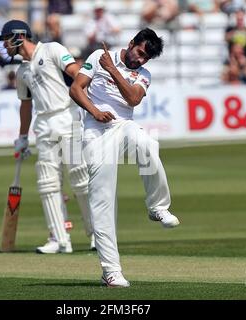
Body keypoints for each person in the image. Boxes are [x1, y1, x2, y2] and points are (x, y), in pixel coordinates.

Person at [69, 28, 180, 287]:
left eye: (145, 59)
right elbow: (76, 89)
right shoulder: (98, 56)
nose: (140, 60)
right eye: (140, 53)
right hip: (96, 132)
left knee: (147, 144)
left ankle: (157, 207)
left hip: (123, 125)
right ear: (131, 44)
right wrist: (95, 111)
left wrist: (112, 70)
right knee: (102, 199)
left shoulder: (143, 75)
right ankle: (111, 271)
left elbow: (132, 100)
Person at [0, 20, 95, 253]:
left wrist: (92, 102)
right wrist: (22, 137)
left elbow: (76, 74)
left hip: (67, 117)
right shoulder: (21, 72)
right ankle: (60, 240)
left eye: (6, 40)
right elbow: (26, 106)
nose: (5, 46)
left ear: (18, 37)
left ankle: (96, 234)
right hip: (43, 125)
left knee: (80, 178)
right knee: (48, 184)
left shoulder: (52, 50)